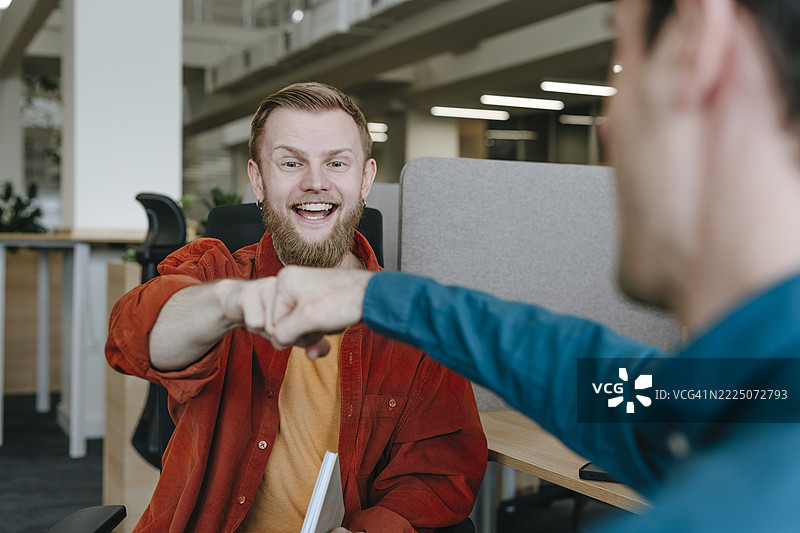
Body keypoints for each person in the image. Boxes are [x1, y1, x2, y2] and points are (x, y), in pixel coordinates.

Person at [259, 1, 800, 531]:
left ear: (699, 42)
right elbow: (593, 378)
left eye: (624, 59)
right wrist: (377, 297)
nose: (607, 124)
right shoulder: (748, 390)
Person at [105, 82, 486, 533]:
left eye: (336, 163)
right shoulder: (216, 273)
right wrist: (230, 302)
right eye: (291, 163)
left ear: (365, 179)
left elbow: (441, 472)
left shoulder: (416, 325)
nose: (315, 182)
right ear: (258, 180)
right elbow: (135, 336)